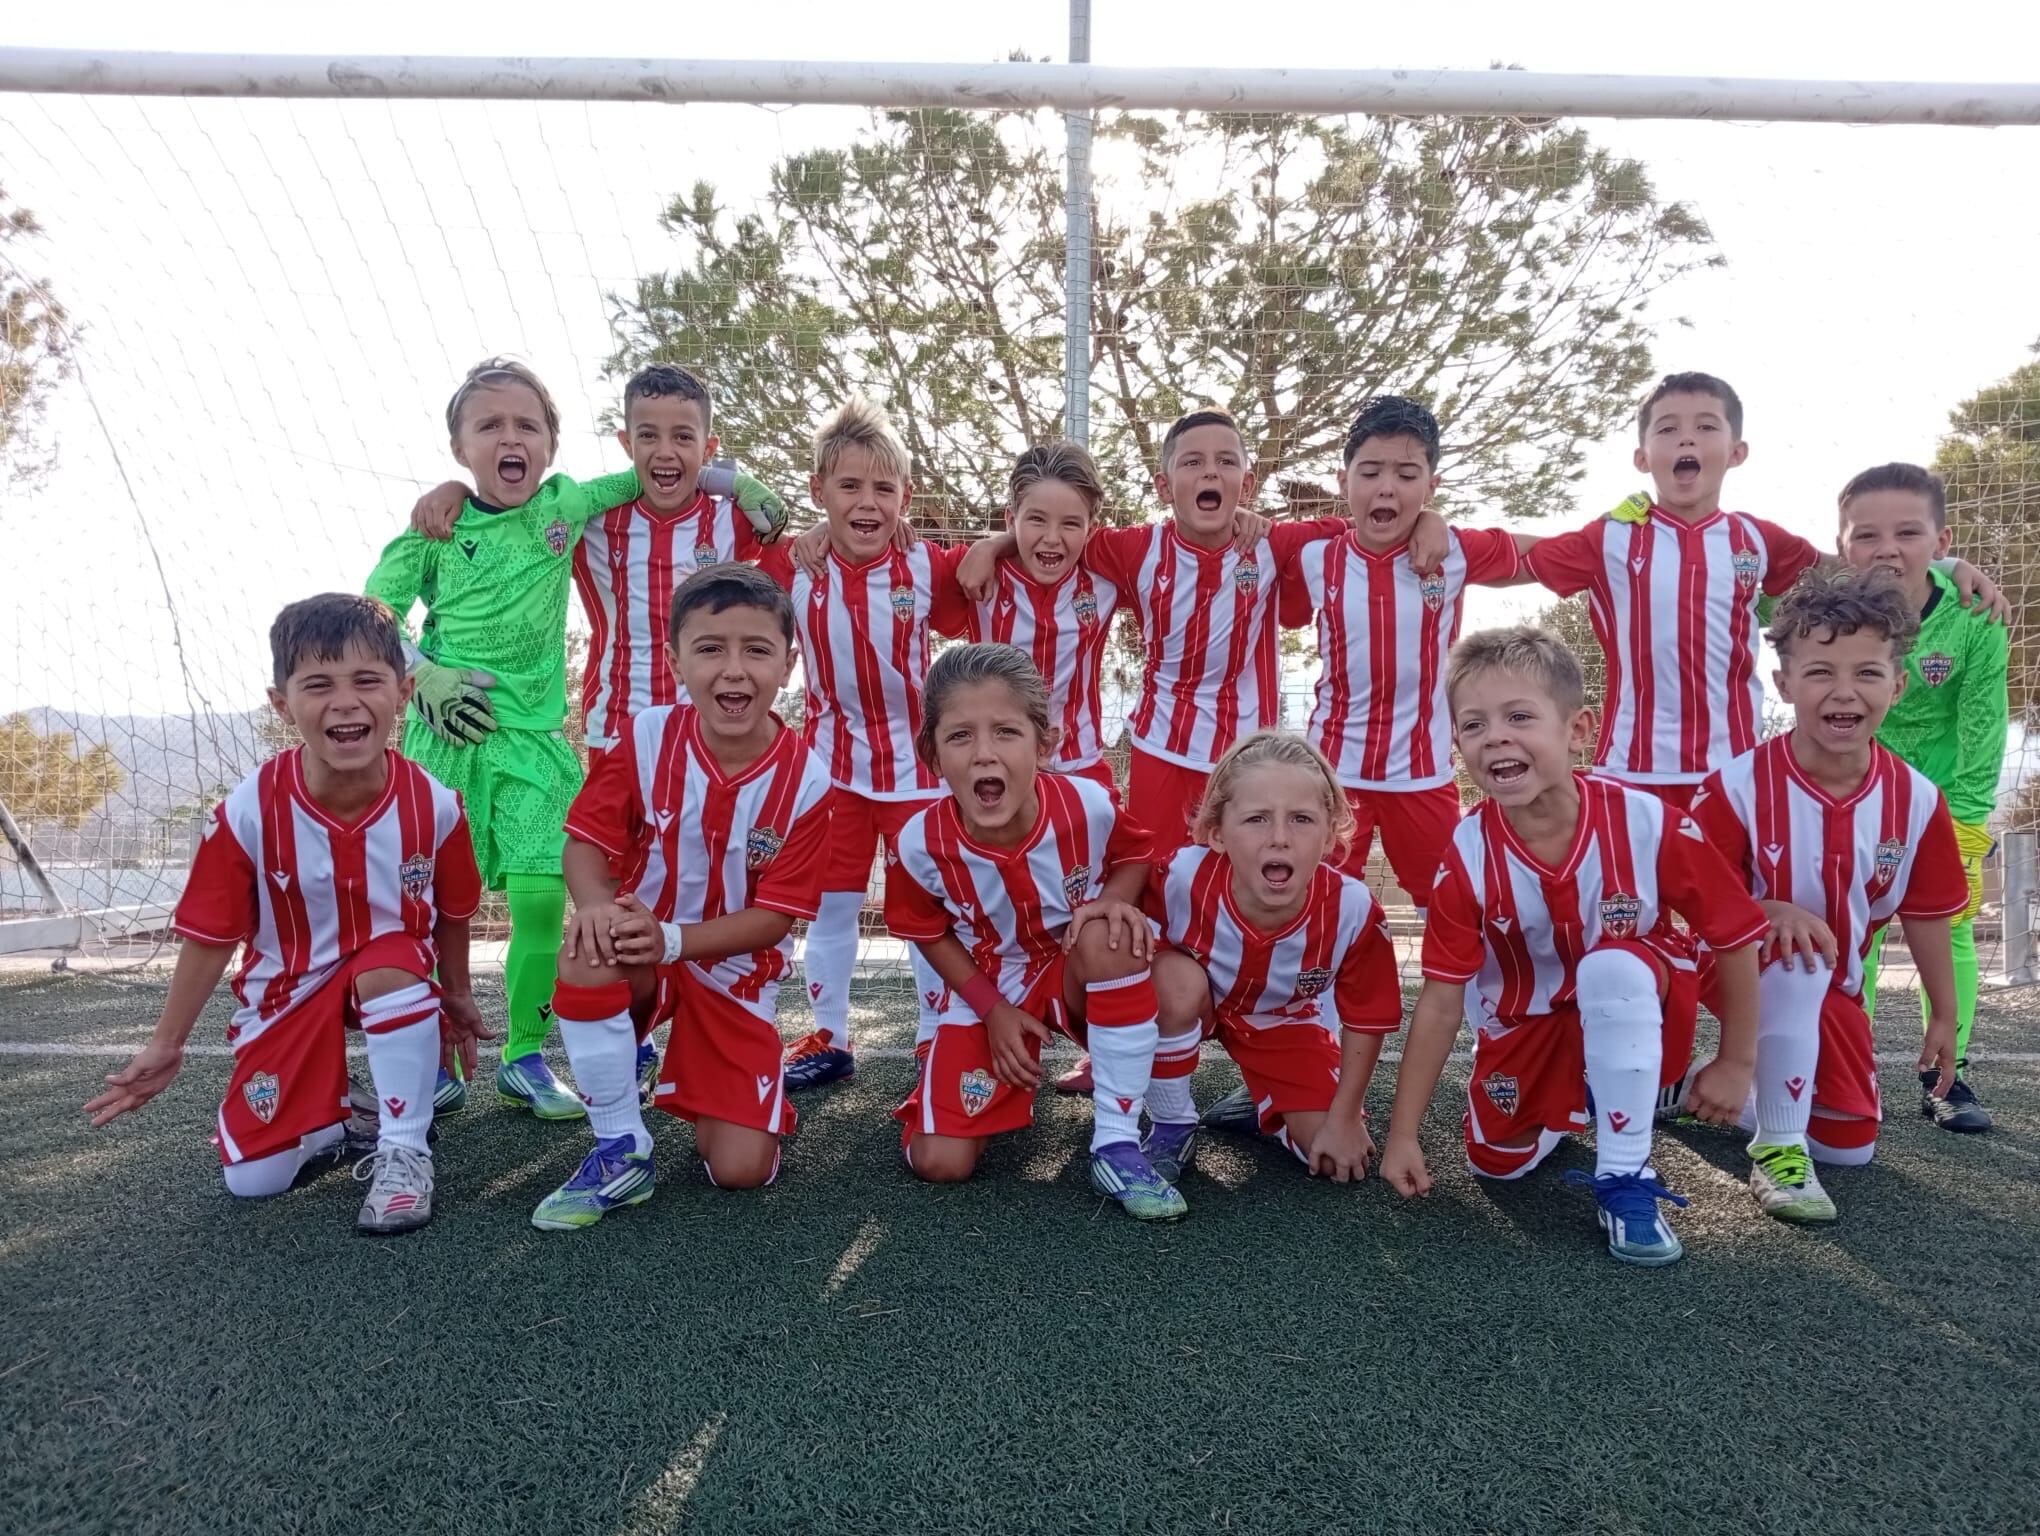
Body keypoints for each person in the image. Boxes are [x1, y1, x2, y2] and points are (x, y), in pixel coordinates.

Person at [404, 362, 789, 1107]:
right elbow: (504, 515)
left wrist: (737, 481)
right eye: (649, 436)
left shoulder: (730, 518)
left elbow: (788, 559)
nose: (666, 452)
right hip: (617, 734)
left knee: (709, 878)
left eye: (685, 437)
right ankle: (625, 1038)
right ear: (625, 441)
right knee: (610, 890)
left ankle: (719, 1025)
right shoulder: (585, 516)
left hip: (713, 736)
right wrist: (452, 492)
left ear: (707, 444)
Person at [84, 594, 486, 1235]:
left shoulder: (436, 806)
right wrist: (167, 1044)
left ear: (404, 691)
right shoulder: (248, 812)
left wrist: (458, 997)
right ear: (282, 703)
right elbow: (212, 938)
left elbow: (453, 915)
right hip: (289, 987)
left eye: (367, 681)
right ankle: (338, 1116)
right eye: (318, 684)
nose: (346, 702)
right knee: (253, 1181)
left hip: (393, 974)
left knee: (391, 963)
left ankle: (406, 1150)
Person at [1378, 626, 1767, 1266]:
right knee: (1496, 1164)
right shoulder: (1467, 855)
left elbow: (1734, 936)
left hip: (1638, 997)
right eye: (1473, 725)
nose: (1495, 736)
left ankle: (1625, 1173)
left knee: (1613, 964)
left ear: (1579, 729)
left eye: (1520, 716)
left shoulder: (1646, 822)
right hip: (1528, 1021)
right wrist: (1403, 1133)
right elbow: (1443, 1001)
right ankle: (1600, 1090)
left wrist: (1736, 1062)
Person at [1519, 371, 2004, 810]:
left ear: (1737, 452)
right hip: (1629, 768)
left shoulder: (1757, 540)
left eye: (1706, 426)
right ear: (1642, 457)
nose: (1687, 436)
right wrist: (1446, 541)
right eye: (1668, 428)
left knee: (1742, 906)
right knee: (1631, 906)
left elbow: (1848, 566)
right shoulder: (1610, 538)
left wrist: (1944, 566)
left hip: (1734, 769)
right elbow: (1517, 559)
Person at [366, 358, 641, 1120]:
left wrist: (736, 485)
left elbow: (649, 471)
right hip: (445, 745)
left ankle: (523, 1055)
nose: (509, 437)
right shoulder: (430, 536)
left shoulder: (565, 505)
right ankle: (435, 1055)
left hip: (535, 747)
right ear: (460, 449)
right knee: (422, 909)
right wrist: (424, 674)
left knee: (546, 902)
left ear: (551, 445)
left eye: (527, 425)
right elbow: (373, 618)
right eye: (489, 426)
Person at [531, 564, 833, 1228]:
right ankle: (621, 1145)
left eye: (756, 650)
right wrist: (598, 908)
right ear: (674, 660)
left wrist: (675, 938)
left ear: (789, 663)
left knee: (740, 1172)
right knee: (587, 947)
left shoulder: (808, 782)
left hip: (733, 975)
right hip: (643, 948)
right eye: (710, 648)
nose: (734, 670)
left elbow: (775, 919)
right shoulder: (646, 738)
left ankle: (729, 1089)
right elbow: (583, 843)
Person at [1686, 567, 1968, 1222]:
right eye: (1820, 673)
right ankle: (1778, 1148)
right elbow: (1686, 905)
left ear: (1897, 685)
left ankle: (1698, 1084)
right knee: (1795, 943)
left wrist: (1945, 1016)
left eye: (1867, 673)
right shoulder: (1735, 788)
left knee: (1850, 1147)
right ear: (1784, 684)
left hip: (1831, 985)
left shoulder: (1919, 803)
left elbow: (1926, 917)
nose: (1844, 692)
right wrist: (1763, 911)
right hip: (1723, 963)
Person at [884, 643, 1190, 1219]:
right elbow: (926, 930)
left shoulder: (1089, 805)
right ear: (931, 753)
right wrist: (991, 1009)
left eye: (1004, 732)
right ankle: (942, 1082)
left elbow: (1136, 855)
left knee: (1107, 930)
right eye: (959, 737)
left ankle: (1117, 1142)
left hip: (1076, 966)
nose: (982, 754)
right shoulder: (918, 843)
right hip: (989, 982)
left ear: (1044, 744)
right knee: (940, 1164)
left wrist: (1111, 902)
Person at [959, 406, 1346, 853]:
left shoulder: (1272, 544)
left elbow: (1356, 532)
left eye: (1226, 462)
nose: (1210, 473)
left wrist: (1429, 524)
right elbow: (1058, 533)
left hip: (1245, 753)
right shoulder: (1134, 549)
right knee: (1151, 874)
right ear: (1164, 487)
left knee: (1244, 870)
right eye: (1193, 462)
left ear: (1247, 483)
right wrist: (993, 544)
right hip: (1160, 748)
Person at [758, 397, 971, 1090]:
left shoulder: (926, 566)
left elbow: (985, 576)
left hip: (916, 772)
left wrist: (993, 543)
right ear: (820, 492)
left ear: (905, 497)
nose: (867, 502)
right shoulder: (793, 565)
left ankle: (935, 1035)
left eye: (884, 488)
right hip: (830, 769)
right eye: (849, 486)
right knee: (831, 905)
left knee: (924, 910)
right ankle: (830, 1035)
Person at [1146, 732, 1402, 1184]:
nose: (1280, 838)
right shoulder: (1179, 876)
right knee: (1175, 981)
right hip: (1192, 1004)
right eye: (1257, 819)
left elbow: (1367, 1019)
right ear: (1218, 834)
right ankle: (1171, 1122)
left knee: (1338, 1159)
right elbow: (1120, 938)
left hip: (1280, 1021)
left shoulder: (1353, 909)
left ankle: (1263, 1103)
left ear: (1330, 834)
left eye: (1302, 819)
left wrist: (1343, 1119)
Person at [1835, 463, 2007, 1133]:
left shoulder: (1975, 616)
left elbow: (1983, 724)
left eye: (1909, 532)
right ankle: (1850, 1073)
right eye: (1868, 535)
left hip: (1938, 807)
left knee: (1951, 928)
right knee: (1853, 934)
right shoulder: (1832, 610)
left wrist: (1964, 822)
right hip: (1850, 795)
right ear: (1843, 545)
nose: (1888, 549)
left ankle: (1948, 1075)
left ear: (1941, 540)